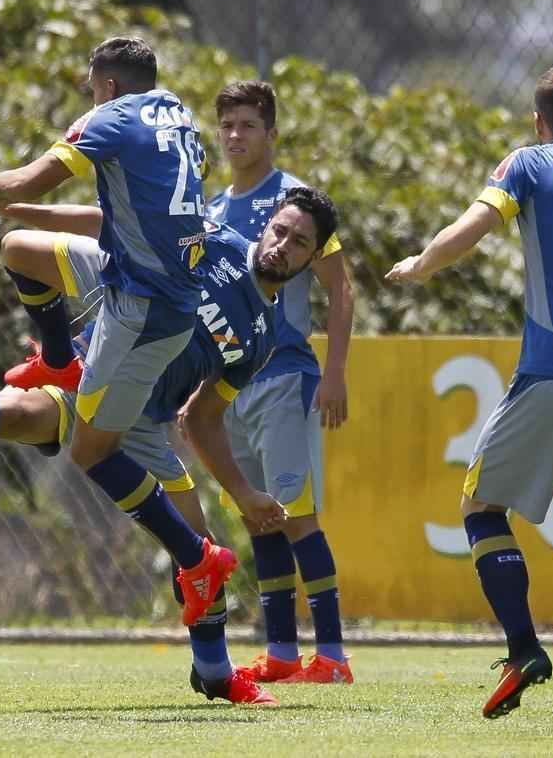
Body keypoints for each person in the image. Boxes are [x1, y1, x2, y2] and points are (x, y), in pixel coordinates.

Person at [0, 187, 339, 705]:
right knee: (14, 411)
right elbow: (112, 219)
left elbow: (205, 419)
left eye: (300, 242)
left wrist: (245, 492)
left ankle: (214, 674)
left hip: (145, 424)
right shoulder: (212, 238)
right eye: (280, 229)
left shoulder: (262, 336)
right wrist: (20, 205)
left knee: (198, 547)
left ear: (313, 257)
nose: (283, 244)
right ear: (267, 224)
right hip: (92, 374)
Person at [0, 36, 263, 621]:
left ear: (106, 86)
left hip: (143, 307)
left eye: (91, 87)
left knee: (90, 450)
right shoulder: (178, 112)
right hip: (132, 273)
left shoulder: (112, 117)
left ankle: (202, 586)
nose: (90, 97)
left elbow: (33, 179)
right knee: (20, 249)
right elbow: (134, 201)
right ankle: (57, 360)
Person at [386, 66, 553, 730]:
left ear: (539, 122)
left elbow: (475, 223)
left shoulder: (530, 163)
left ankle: (523, 648)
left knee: (480, 508)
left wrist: (422, 264)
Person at [205, 81, 356, 684]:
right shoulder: (214, 209)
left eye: (248, 125)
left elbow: (340, 289)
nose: (237, 135)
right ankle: (283, 654)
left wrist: (336, 373)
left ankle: (335, 657)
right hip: (229, 388)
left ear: (271, 133)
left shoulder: (295, 206)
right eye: (228, 125)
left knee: (297, 516)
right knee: (260, 515)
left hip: (286, 379)